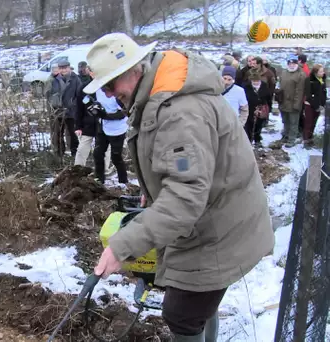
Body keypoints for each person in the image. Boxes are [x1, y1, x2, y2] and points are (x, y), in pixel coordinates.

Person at [86, 33, 274, 342]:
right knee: (197, 306)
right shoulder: (159, 90)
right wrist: (155, 188)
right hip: (214, 213)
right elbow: (182, 168)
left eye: (110, 84)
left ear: (134, 69)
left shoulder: (179, 111)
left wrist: (121, 246)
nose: (108, 94)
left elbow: (185, 198)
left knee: (182, 313)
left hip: (218, 226)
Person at [74, 65, 113, 175]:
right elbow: (78, 108)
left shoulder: (108, 85)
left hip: (105, 123)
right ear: (89, 72)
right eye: (92, 71)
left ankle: (103, 170)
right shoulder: (84, 88)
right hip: (88, 124)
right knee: (82, 149)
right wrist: (78, 126)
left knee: (105, 149)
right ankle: (77, 170)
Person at [46, 60, 82, 158]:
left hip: (71, 111)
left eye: (65, 67)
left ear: (69, 67)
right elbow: (48, 94)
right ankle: (59, 155)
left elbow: (79, 95)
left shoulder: (75, 79)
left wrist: (73, 105)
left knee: (72, 134)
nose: (64, 70)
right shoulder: (53, 79)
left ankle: (75, 154)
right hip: (57, 112)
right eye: (61, 68)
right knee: (57, 134)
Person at [277, 56, 307, 147]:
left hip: (294, 102)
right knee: (285, 121)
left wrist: (297, 104)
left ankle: (291, 139)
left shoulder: (301, 75)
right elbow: (280, 85)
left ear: (296, 64)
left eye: (293, 64)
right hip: (283, 101)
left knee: (293, 122)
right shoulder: (284, 72)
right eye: (290, 64)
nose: (291, 65)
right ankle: (285, 136)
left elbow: (300, 91)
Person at [243, 70, 272, 147]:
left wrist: (269, 108)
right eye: (253, 81)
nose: (255, 82)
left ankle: (257, 139)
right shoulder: (246, 87)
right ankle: (248, 140)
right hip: (250, 108)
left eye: (257, 80)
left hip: (261, 109)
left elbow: (268, 98)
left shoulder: (264, 86)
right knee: (249, 125)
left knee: (259, 125)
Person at [303, 64, 327, 147]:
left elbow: (323, 93)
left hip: (319, 106)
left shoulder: (322, 80)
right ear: (315, 72)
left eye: (323, 71)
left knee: (314, 123)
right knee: (308, 123)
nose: (323, 73)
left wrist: (322, 104)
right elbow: (308, 95)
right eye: (321, 71)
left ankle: (311, 138)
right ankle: (306, 140)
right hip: (310, 105)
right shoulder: (309, 80)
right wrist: (315, 105)